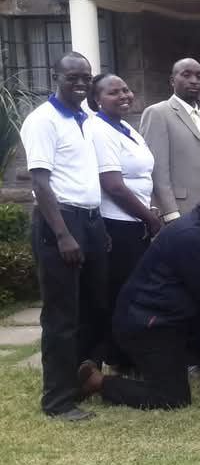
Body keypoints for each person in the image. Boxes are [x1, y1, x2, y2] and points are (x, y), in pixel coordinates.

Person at [81, 172, 200, 410]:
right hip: (149, 323)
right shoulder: (191, 235)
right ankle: (97, 381)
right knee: (172, 398)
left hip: (179, 313)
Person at [20, 52, 108, 421]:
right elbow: (41, 182)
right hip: (61, 221)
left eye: (86, 77)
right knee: (61, 316)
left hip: (89, 219)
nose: (81, 83)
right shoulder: (44, 120)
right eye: (72, 77)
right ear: (55, 76)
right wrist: (63, 234)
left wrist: (96, 226)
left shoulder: (84, 120)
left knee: (91, 308)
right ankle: (57, 401)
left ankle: (80, 382)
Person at [87, 73, 160, 372]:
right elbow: (113, 185)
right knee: (121, 293)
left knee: (135, 292)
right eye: (113, 92)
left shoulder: (127, 127)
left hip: (136, 221)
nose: (124, 96)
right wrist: (151, 218)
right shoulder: (99, 129)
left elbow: (141, 176)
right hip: (118, 224)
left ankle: (131, 353)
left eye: (126, 90)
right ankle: (118, 358)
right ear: (96, 100)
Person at [142, 57, 200, 221]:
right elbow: (157, 169)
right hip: (182, 209)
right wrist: (170, 213)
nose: (194, 81)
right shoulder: (158, 113)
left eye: (199, 76)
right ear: (172, 80)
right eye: (186, 75)